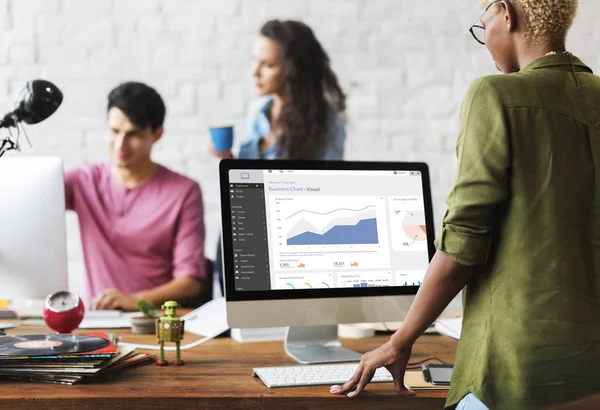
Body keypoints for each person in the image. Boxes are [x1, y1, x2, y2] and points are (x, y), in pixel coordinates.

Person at [331, 1, 600, 409]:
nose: (485, 39)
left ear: (506, 14)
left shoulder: (494, 95)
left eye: (483, 24)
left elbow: (463, 243)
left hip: (517, 371)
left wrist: (400, 340)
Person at [211, 19, 348, 292]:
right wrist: (229, 160)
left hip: (287, 244)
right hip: (243, 227)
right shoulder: (257, 111)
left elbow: (327, 193)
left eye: (268, 65)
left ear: (294, 71)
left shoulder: (326, 122)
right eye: (255, 61)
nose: (255, 72)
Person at [65, 82, 210, 311]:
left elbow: (190, 283)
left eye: (133, 134)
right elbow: (26, 201)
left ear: (158, 134)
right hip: (99, 320)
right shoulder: (82, 181)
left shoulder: (184, 192)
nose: (120, 145)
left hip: (153, 319)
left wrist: (136, 300)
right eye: (114, 131)